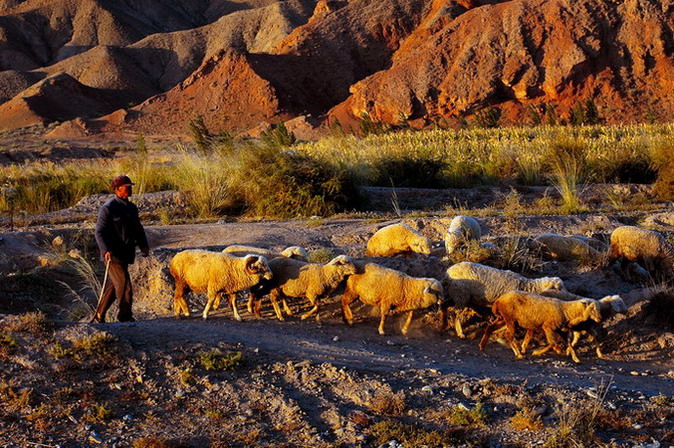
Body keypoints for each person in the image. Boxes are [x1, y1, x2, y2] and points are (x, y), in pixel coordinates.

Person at [92, 175, 149, 323]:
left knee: (116, 285)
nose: (130, 189)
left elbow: (138, 229)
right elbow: (99, 232)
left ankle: (99, 314)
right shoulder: (108, 208)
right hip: (113, 254)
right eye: (127, 187)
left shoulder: (131, 208)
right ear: (117, 189)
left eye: (130, 187)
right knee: (125, 285)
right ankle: (124, 317)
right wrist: (106, 250)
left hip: (126, 253)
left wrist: (143, 245)